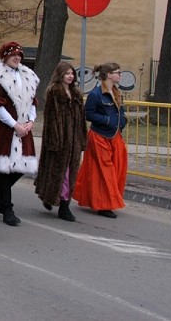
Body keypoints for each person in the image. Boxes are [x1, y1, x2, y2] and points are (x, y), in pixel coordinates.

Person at [0, 42, 39, 227]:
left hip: (24, 128)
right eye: (13, 55)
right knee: (5, 169)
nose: (17, 58)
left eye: (19, 55)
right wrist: (14, 125)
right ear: (5, 56)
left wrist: (30, 121)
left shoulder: (28, 75)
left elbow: (32, 102)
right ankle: (7, 209)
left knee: (22, 167)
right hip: (5, 128)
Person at [74, 62, 128, 219]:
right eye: (118, 72)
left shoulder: (117, 93)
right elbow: (88, 114)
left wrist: (122, 122)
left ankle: (108, 200)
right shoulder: (96, 94)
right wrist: (106, 120)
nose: (120, 75)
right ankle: (103, 205)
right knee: (105, 171)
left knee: (118, 168)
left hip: (115, 136)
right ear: (109, 74)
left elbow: (121, 113)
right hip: (100, 136)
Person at [34, 61, 86, 222]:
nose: (70, 76)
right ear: (60, 75)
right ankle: (63, 205)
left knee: (70, 173)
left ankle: (52, 198)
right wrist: (54, 140)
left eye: (72, 74)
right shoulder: (54, 92)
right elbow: (50, 119)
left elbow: (81, 119)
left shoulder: (76, 94)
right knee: (60, 173)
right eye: (67, 73)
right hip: (59, 140)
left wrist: (82, 139)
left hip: (74, 140)